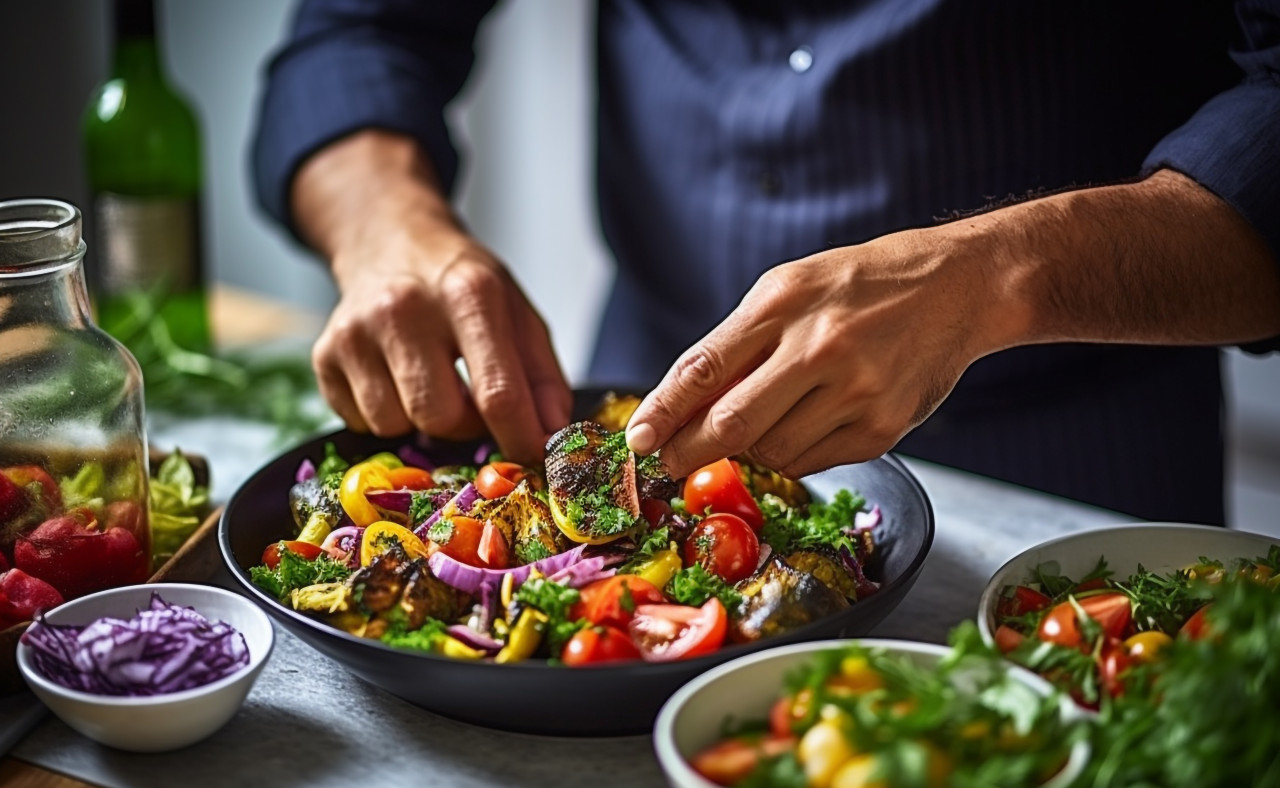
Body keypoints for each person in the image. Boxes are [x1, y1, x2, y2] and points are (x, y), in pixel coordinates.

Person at [252, 0, 1280, 526]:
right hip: (649, 395)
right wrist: (385, 226)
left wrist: (994, 274)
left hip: (1070, 459)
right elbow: (358, 25)